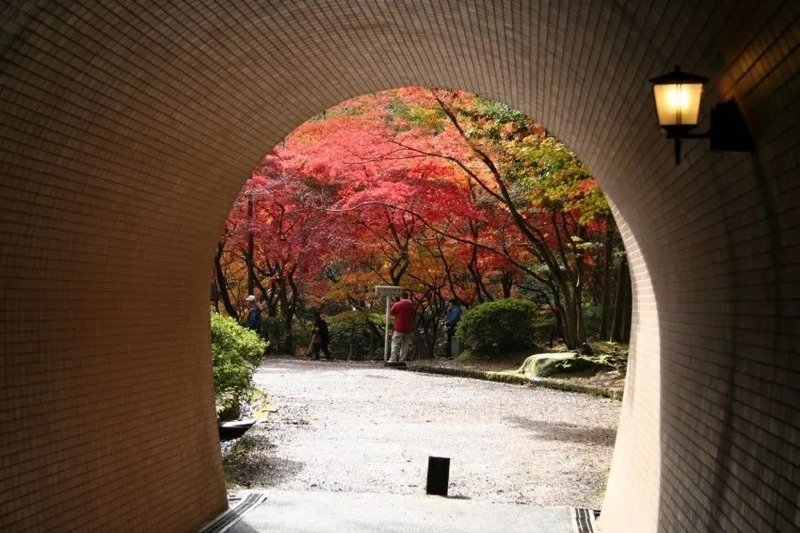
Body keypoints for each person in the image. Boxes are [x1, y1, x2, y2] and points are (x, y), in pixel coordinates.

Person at [388, 291, 415, 363]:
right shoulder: (411, 305)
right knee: (405, 345)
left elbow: (391, 312)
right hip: (408, 327)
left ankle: (393, 359)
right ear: (407, 296)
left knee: (395, 343)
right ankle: (402, 360)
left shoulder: (398, 304)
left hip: (399, 327)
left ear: (401, 297)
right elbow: (413, 313)